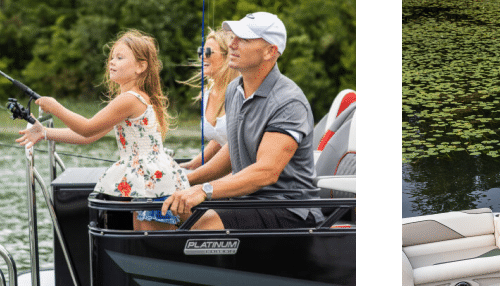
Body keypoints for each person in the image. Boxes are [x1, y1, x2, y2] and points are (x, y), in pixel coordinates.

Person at [161, 12, 323, 230]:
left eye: (244, 39)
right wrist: (184, 181)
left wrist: (204, 190)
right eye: (233, 37)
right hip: (247, 201)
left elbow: (266, 172)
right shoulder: (234, 90)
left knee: (202, 223)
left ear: (270, 51)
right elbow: (233, 148)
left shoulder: (289, 102)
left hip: (290, 210)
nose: (232, 44)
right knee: (160, 210)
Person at [16, 30, 189, 231]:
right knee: (145, 239)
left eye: (120, 57)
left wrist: (55, 107)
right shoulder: (131, 98)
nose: (112, 62)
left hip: (149, 178)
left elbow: (87, 128)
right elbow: (90, 136)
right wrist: (44, 132)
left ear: (141, 67)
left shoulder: (129, 99)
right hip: (149, 176)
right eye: (112, 57)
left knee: (151, 243)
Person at [180, 29, 239, 170]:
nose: (202, 57)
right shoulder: (207, 93)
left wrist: (196, 176)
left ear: (228, 56)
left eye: (207, 52)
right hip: (220, 174)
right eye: (201, 51)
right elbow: (219, 140)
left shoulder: (242, 93)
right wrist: (191, 165)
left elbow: (235, 145)